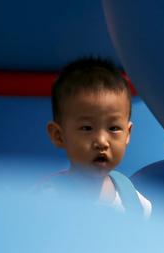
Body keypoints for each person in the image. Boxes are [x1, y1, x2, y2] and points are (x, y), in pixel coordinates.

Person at [41, 57, 151, 218]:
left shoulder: (132, 199)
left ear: (128, 134)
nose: (101, 141)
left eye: (113, 128)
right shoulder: (48, 202)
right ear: (58, 135)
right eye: (87, 128)